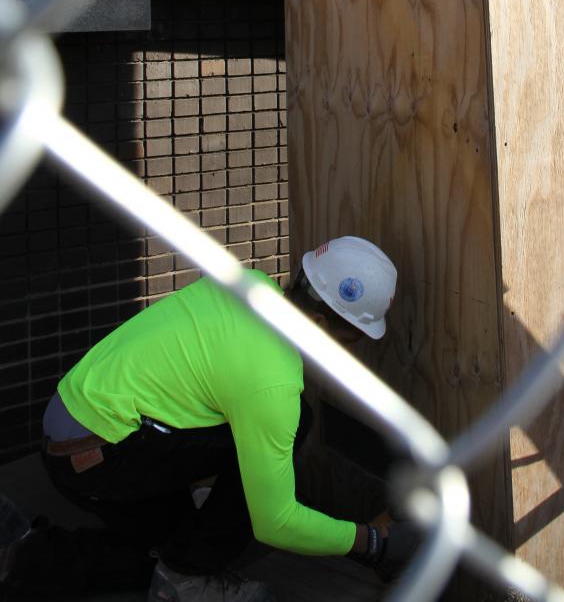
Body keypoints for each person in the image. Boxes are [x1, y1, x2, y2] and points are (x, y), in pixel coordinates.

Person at [0, 236, 414, 601]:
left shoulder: (246, 285)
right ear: (321, 324)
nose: (353, 351)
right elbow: (276, 523)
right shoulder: (271, 384)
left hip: (73, 422)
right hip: (98, 457)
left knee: (167, 543)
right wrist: (369, 541)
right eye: (352, 339)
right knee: (186, 550)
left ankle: (22, 555)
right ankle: (190, 579)